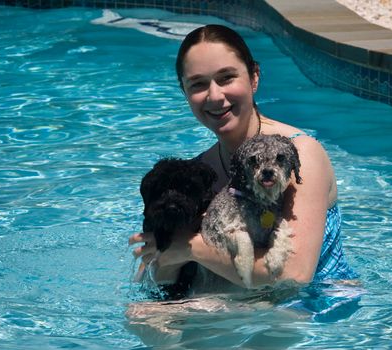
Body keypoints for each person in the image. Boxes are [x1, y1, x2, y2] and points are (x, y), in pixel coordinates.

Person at [129, 24, 357, 294]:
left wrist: (190, 248)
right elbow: (151, 276)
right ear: (185, 93)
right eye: (198, 84)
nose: (215, 96)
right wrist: (166, 255)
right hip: (245, 307)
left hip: (317, 306)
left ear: (254, 78)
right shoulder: (200, 173)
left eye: (226, 78)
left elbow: (295, 274)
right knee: (145, 317)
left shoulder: (298, 155)